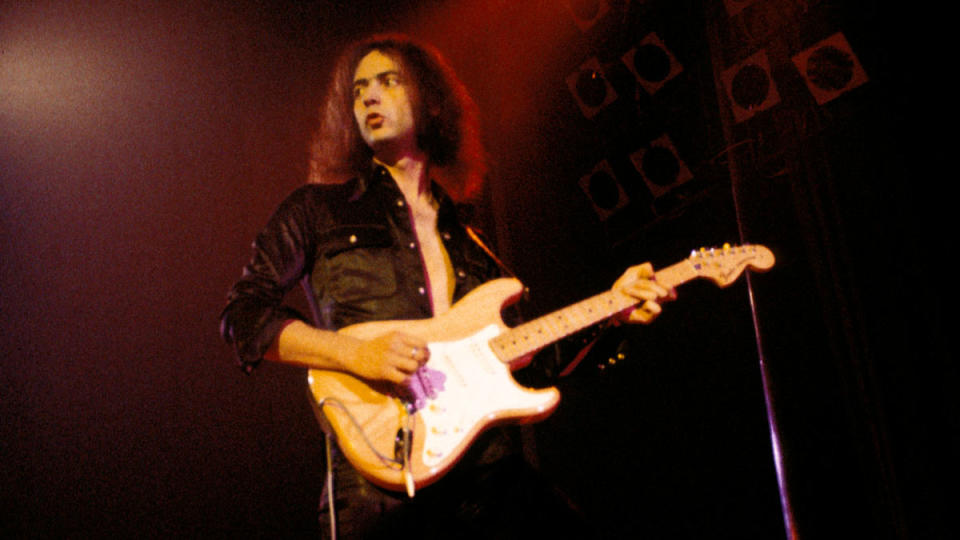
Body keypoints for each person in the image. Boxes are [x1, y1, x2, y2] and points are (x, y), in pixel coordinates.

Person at [220, 33, 673, 539]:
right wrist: (354, 354)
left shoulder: (470, 238)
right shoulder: (316, 210)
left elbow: (538, 357)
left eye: (387, 82)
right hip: (384, 485)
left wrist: (616, 310)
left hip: (489, 480)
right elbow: (245, 317)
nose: (368, 96)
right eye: (358, 89)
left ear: (430, 100)